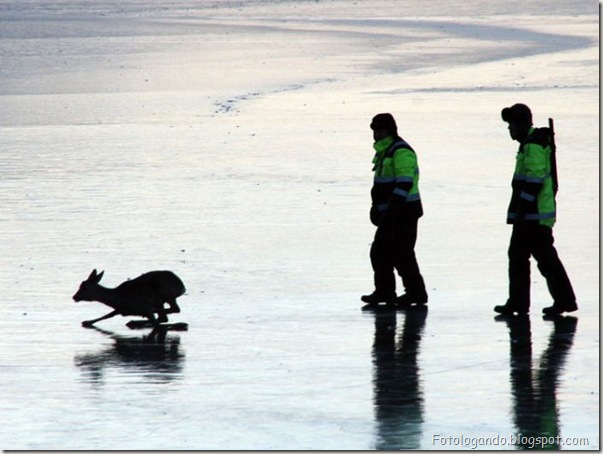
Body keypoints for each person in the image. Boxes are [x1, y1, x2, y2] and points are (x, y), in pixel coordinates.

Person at [494, 103, 577, 316]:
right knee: (523, 256)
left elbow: (534, 180)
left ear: (522, 124)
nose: (509, 129)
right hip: (531, 215)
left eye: (511, 124)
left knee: (541, 258)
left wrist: (522, 211)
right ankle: (521, 302)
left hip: (534, 216)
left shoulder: (533, 145)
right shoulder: (529, 144)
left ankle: (561, 300)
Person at [362, 113, 428, 307]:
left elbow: (404, 183)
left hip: (404, 213)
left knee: (401, 253)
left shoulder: (401, 152)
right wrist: (377, 209)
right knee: (383, 252)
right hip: (393, 213)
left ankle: (415, 293)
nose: (375, 134)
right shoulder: (385, 151)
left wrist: (390, 211)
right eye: (374, 130)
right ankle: (387, 292)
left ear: (389, 130)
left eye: (379, 130)